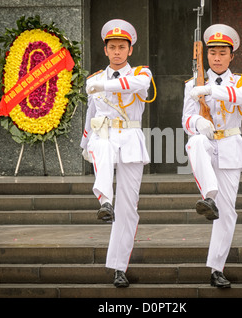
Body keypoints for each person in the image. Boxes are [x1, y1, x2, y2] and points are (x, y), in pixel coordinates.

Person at [80, 19, 154, 288]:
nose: (117, 52)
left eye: (122, 47)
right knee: (100, 143)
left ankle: (119, 267)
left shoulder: (141, 74)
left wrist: (103, 87)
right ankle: (104, 201)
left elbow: (132, 87)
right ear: (105, 49)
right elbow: (90, 116)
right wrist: (84, 144)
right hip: (104, 136)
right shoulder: (93, 80)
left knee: (129, 209)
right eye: (112, 47)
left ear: (130, 50)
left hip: (131, 139)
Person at [182, 24, 242, 288]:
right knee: (196, 141)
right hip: (209, 143)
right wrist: (197, 123)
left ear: (231, 55)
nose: (216, 57)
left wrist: (211, 90)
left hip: (231, 146)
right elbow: (186, 119)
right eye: (212, 52)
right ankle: (208, 196)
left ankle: (216, 268)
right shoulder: (193, 83)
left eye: (222, 52)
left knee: (228, 212)